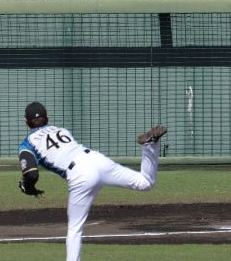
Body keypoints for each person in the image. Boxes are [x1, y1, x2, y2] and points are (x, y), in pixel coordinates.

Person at [18, 101, 166, 261]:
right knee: (145, 182)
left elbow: (31, 175)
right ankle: (150, 145)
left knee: (75, 228)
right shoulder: (61, 130)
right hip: (96, 159)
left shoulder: (28, 143)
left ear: (26, 122)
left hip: (80, 174)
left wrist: (28, 187)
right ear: (48, 118)